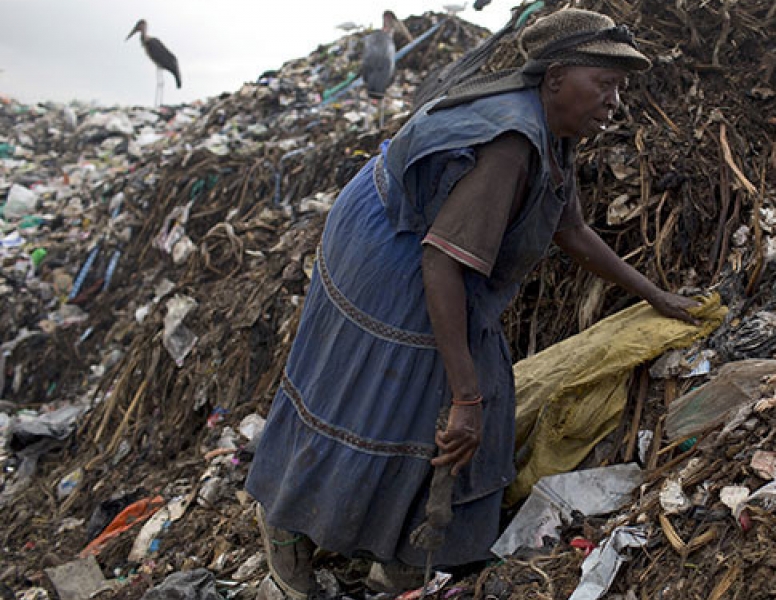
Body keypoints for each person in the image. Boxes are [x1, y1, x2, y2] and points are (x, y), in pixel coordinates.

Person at [244, 7, 698, 598]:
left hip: (426, 246)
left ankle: (400, 551)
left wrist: (655, 295)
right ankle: (284, 525)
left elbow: (573, 229)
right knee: (384, 394)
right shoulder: (510, 144)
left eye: (620, 87)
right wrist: (464, 397)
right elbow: (442, 263)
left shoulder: (556, 130)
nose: (616, 101)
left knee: (457, 398)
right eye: (605, 84)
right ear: (556, 76)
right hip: (392, 252)